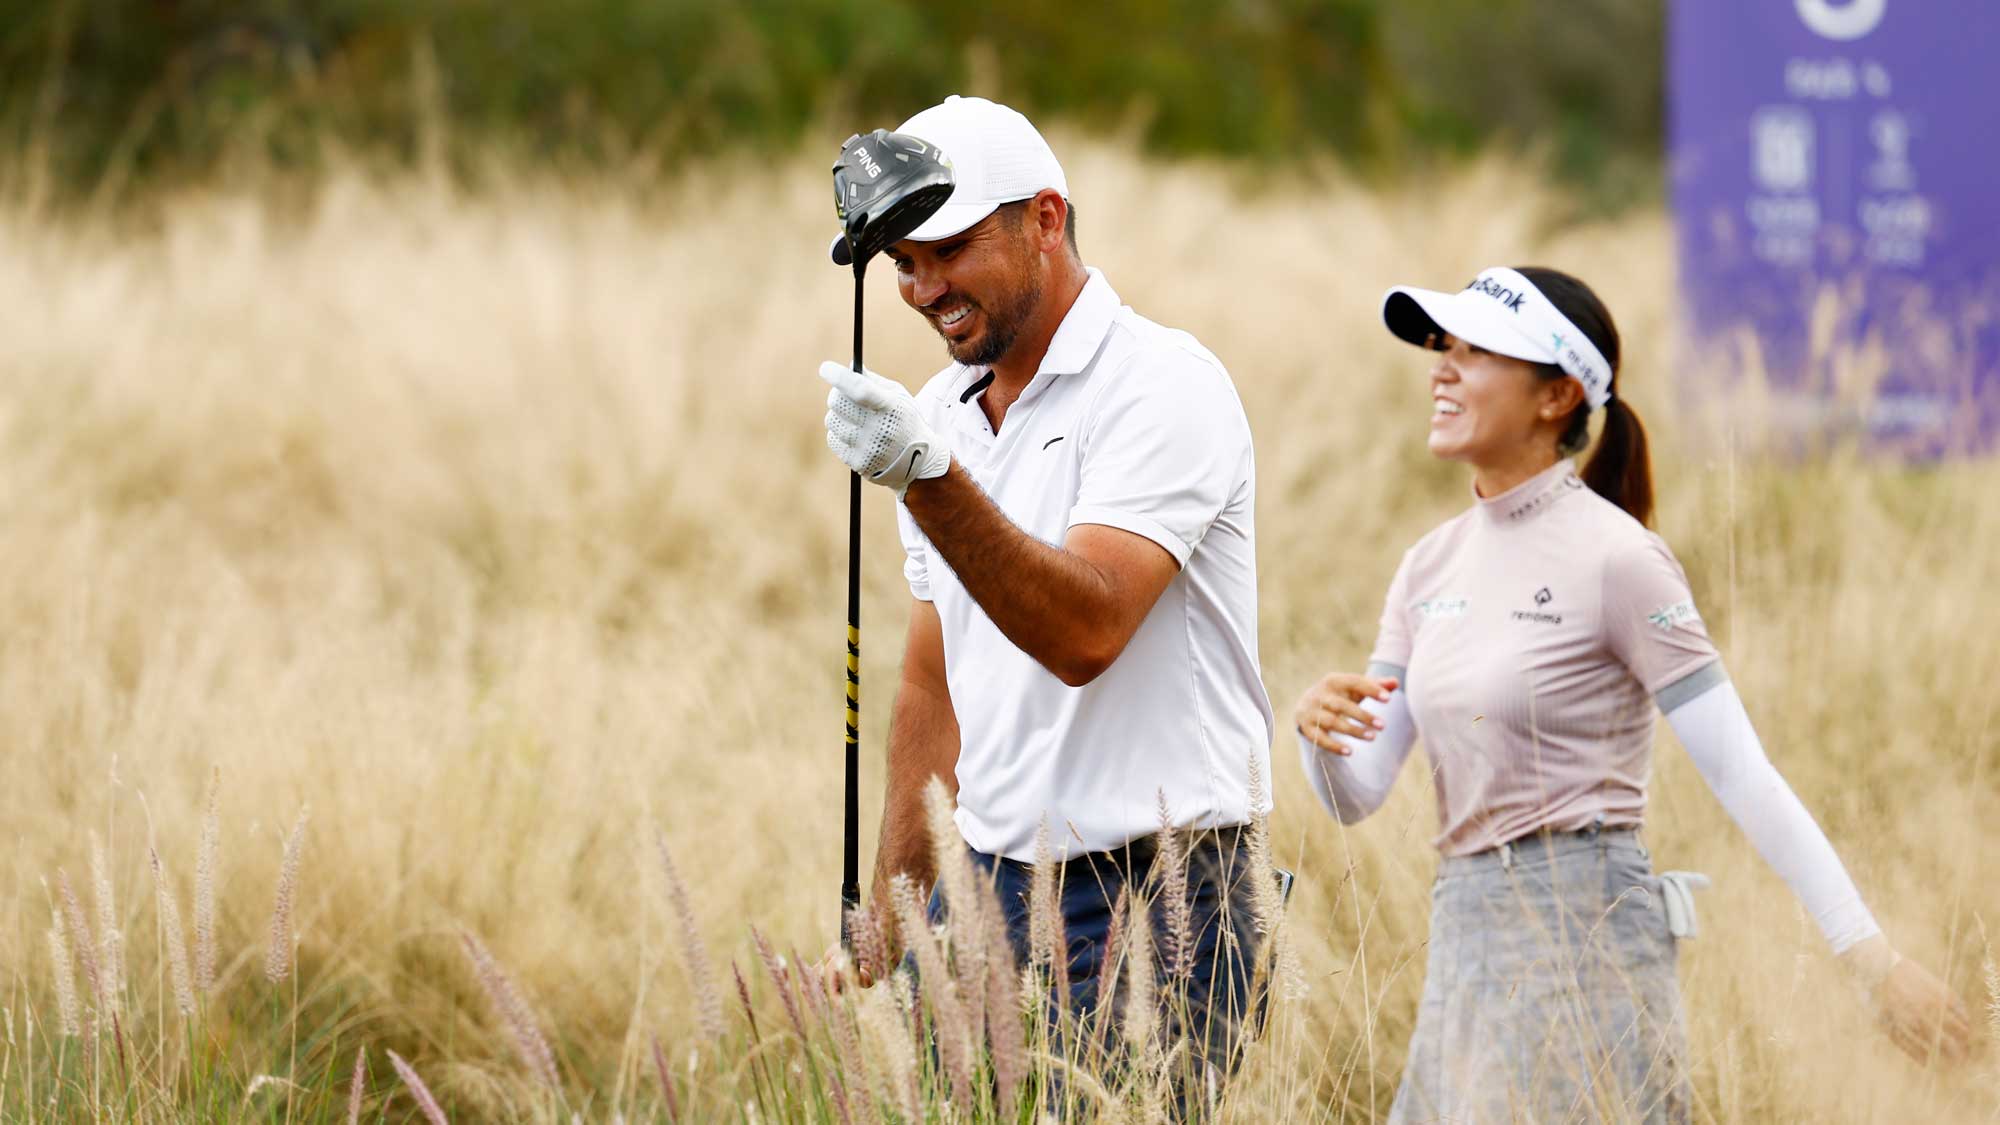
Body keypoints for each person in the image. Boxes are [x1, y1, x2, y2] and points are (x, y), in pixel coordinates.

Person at [1294, 266, 1973, 1122]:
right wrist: (1318, 739)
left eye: (1474, 351)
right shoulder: (1426, 566)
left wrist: (1874, 962)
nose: (1442, 368)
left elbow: (1744, 774)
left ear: (1557, 395)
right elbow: (1358, 797)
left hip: (1589, 941)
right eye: (1441, 348)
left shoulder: (1620, 558)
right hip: (1462, 943)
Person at [814, 95, 1276, 1084]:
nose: (922, 286)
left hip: (1158, 899)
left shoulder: (1162, 384)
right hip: (983, 885)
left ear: (1046, 220)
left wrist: (928, 480)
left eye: (946, 248)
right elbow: (933, 684)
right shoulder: (940, 412)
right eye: (900, 263)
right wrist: (894, 912)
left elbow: (1086, 631)